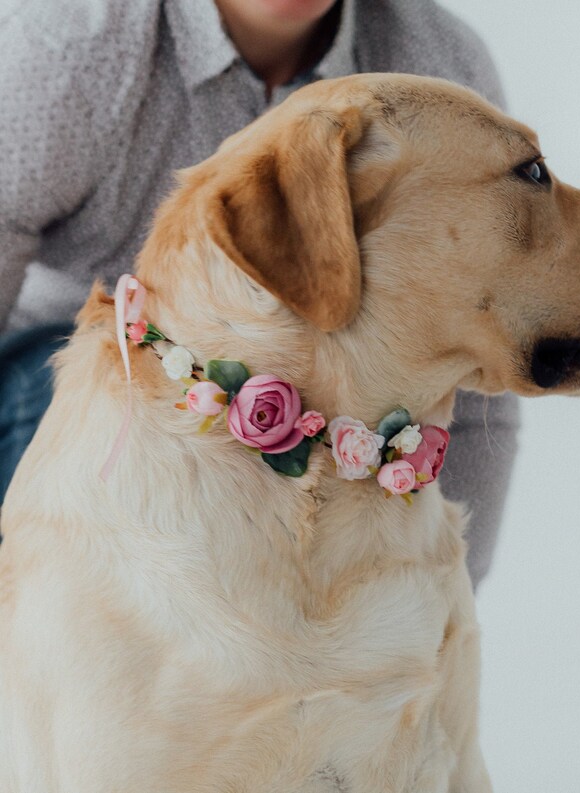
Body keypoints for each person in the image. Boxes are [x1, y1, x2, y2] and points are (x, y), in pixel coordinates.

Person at [0, 0, 519, 588]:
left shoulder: (437, 68)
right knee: (88, 369)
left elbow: (474, 370)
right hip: (53, 398)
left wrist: (445, 593)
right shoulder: (65, 48)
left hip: (311, 432)